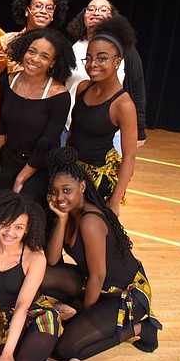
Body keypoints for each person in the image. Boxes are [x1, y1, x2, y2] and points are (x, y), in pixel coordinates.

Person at [0, 190, 138, 361]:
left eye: (18, 227)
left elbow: (22, 307)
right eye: (5, 224)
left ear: (27, 230)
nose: (10, 232)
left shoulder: (34, 258)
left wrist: (8, 353)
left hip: (41, 317)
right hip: (13, 321)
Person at [43, 146, 161, 361]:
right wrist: (61, 219)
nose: (60, 197)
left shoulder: (91, 222)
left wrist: (88, 313)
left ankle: (141, 329)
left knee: (64, 351)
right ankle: (86, 312)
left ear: (82, 186)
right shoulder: (68, 213)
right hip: (95, 285)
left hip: (125, 294)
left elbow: (99, 275)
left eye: (67, 190)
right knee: (40, 274)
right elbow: (51, 260)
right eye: (54, 191)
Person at [0, 28, 76, 207]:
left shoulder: (59, 96)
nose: (35, 59)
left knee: (23, 208)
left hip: (38, 165)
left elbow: (48, 141)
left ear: (53, 63)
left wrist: (21, 178)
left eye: (45, 56)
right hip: (8, 158)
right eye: (32, 51)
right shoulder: (7, 81)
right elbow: (0, 125)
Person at [67, 15, 138, 215]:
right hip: (73, 174)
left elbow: (130, 157)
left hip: (98, 181)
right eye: (88, 58)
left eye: (102, 58)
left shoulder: (123, 105)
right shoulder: (83, 88)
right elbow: (73, 133)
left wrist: (115, 201)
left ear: (118, 61)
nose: (93, 64)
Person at [65, 0, 147, 150]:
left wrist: (140, 128)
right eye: (91, 9)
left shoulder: (125, 50)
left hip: (110, 130)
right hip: (70, 126)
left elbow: (137, 88)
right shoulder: (69, 47)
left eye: (103, 10)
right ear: (83, 16)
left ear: (112, 17)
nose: (96, 13)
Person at [0, 0, 69, 75]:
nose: (43, 11)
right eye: (38, 6)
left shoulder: (57, 46)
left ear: (53, 16)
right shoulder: (7, 41)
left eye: (49, 8)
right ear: (26, 10)